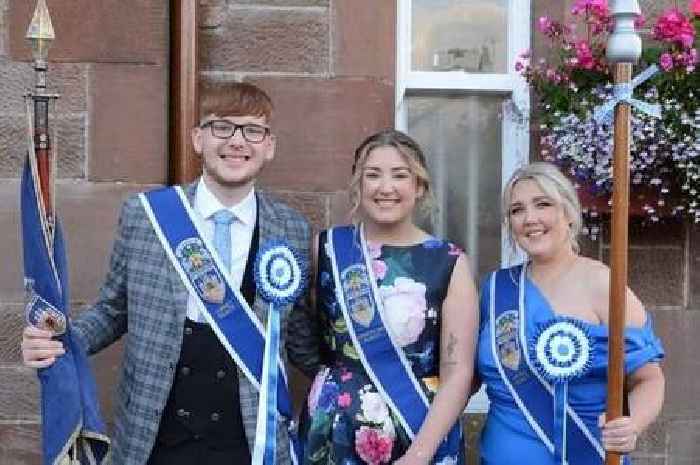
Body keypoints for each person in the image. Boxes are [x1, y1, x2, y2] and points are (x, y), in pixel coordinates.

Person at [21, 83, 319, 465]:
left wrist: (363, 373)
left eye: (252, 130)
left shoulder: (291, 229)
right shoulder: (147, 216)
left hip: (248, 441)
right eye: (221, 127)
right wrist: (60, 342)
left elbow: (295, 335)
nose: (237, 141)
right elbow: (113, 311)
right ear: (198, 139)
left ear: (269, 145)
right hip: (156, 436)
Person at [301, 129, 478, 465]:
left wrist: (419, 455)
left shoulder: (449, 261)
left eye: (400, 175)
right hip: (334, 431)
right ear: (358, 184)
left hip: (418, 431)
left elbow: (457, 373)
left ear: (420, 186)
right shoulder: (327, 248)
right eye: (373, 175)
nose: (385, 188)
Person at [476, 161, 665, 465]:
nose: (530, 218)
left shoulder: (605, 284)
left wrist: (633, 424)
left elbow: (649, 378)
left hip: (586, 454)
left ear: (568, 212)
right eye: (517, 210)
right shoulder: (496, 289)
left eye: (543, 204)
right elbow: (468, 376)